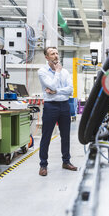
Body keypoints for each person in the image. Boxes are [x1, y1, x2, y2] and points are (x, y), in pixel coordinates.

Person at [37, 47, 77, 176]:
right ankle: (43, 165)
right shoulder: (42, 72)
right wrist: (58, 72)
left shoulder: (65, 72)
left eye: (56, 53)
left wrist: (57, 91)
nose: (55, 56)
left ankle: (66, 161)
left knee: (65, 136)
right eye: (52, 54)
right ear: (46, 57)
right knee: (46, 136)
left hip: (65, 105)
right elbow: (52, 86)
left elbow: (70, 89)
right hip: (51, 106)